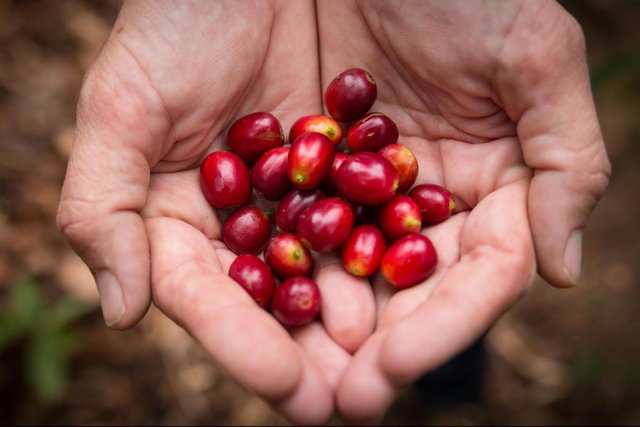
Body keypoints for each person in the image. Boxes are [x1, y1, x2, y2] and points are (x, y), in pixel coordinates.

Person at [56, 1, 611, 424]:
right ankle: (449, 395)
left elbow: (361, 192)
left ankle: (451, 398)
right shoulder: (297, 183)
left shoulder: (361, 180)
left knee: (442, 309)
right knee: (428, 305)